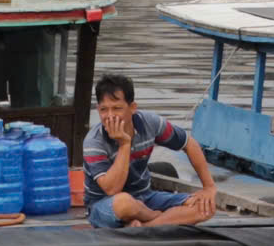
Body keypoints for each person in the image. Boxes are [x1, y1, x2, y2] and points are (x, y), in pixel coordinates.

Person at [83, 74, 219, 229]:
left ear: (132, 108)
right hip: (105, 205)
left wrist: (209, 187)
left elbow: (189, 144)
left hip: (145, 196)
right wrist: (124, 144)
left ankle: (141, 228)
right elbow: (112, 189)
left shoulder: (150, 123)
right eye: (104, 110)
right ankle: (157, 219)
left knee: (204, 208)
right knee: (125, 203)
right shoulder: (93, 141)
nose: (110, 116)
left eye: (117, 108)